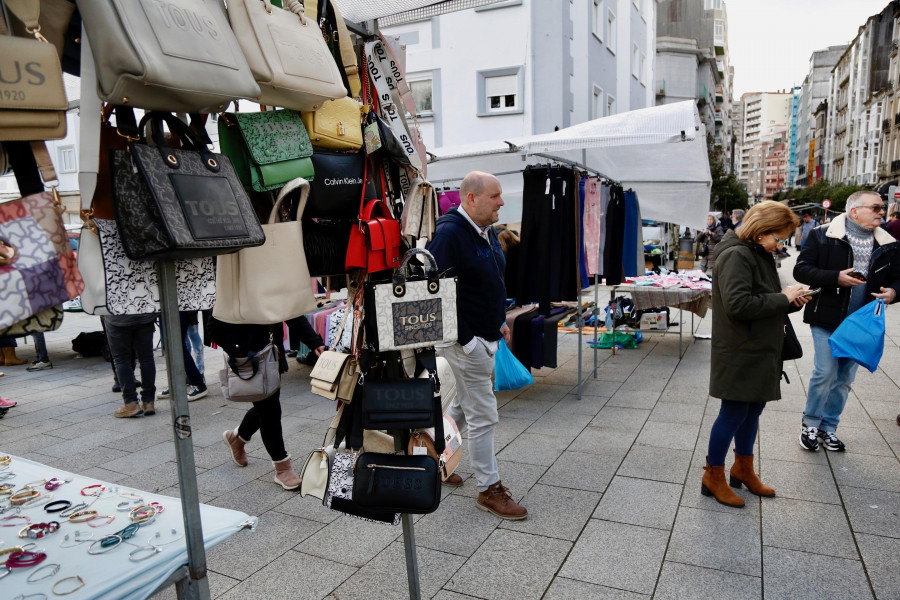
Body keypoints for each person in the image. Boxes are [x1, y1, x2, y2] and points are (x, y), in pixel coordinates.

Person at [427, 171, 527, 521]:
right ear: (471, 198)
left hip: (484, 337)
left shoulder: (482, 232)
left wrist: (498, 320)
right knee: (483, 414)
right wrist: (468, 339)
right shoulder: (451, 234)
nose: (502, 201)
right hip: (465, 343)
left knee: (462, 410)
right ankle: (488, 488)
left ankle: (433, 457)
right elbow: (437, 293)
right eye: (495, 196)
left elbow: (486, 284)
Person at [704, 201, 809, 508]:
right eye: (778, 237)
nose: (780, 244)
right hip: (740, 350)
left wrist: (789, 301)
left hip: (759, 347)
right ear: (761, 230)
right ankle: (713, 475)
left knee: (752, 410)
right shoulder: (737, 254)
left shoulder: (754, 251)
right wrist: (781, 298)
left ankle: (743, 468)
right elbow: (738, 305)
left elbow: (759, 298)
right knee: (733, 413)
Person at [794, 191, 900, 451]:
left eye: (882, 207)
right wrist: (835, 278)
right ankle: (810, 424)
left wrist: (894, 293)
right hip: (826, 317)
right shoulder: (823, 235)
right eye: (875, 207)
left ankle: (828, 427)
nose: (881, 211)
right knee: (825, 372)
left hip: (861, 323)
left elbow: (898, 277)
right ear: (855, 211)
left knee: (844, 379)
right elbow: (801, 269)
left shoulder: (888, 243)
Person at [213, 317, 326, 490]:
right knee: (269, 410)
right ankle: (283, 468)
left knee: (266, 405)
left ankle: (237, 437)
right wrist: (241, 350)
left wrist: (313, 341)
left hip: (272, 354)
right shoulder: (231, 289)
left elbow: (291, 311)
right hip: (248, 358)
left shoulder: (271, 288)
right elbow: (213, 327)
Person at [103, 314, 158, 418]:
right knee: (146, 358)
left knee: (121, 359)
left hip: (117, 316)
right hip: (144, 313)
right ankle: (149, 402)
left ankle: (131, 403)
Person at [157, 311, 208, 402]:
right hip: (165, 307)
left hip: (179, 306)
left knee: (177, 345)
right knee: (169, 345)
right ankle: (179, 382)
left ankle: (198, 381)